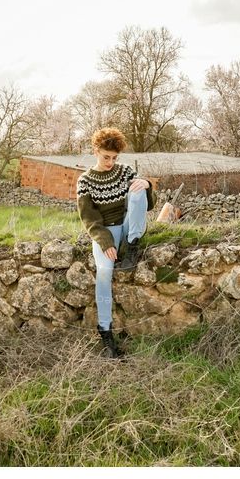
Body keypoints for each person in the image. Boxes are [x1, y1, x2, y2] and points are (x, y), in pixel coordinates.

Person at [76, 128, 155, 358]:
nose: (111, 162)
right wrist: (106, 242)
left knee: (138, 189)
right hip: (105, 232)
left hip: (129, 226)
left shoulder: (125, 171)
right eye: (106, 157)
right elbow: (89, 219)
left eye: (114, 158)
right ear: (96, 151)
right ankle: (106, 333)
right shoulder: (85, 181)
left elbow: (146, 205)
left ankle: (132, 246)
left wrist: (147, 184)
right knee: (104, 271)